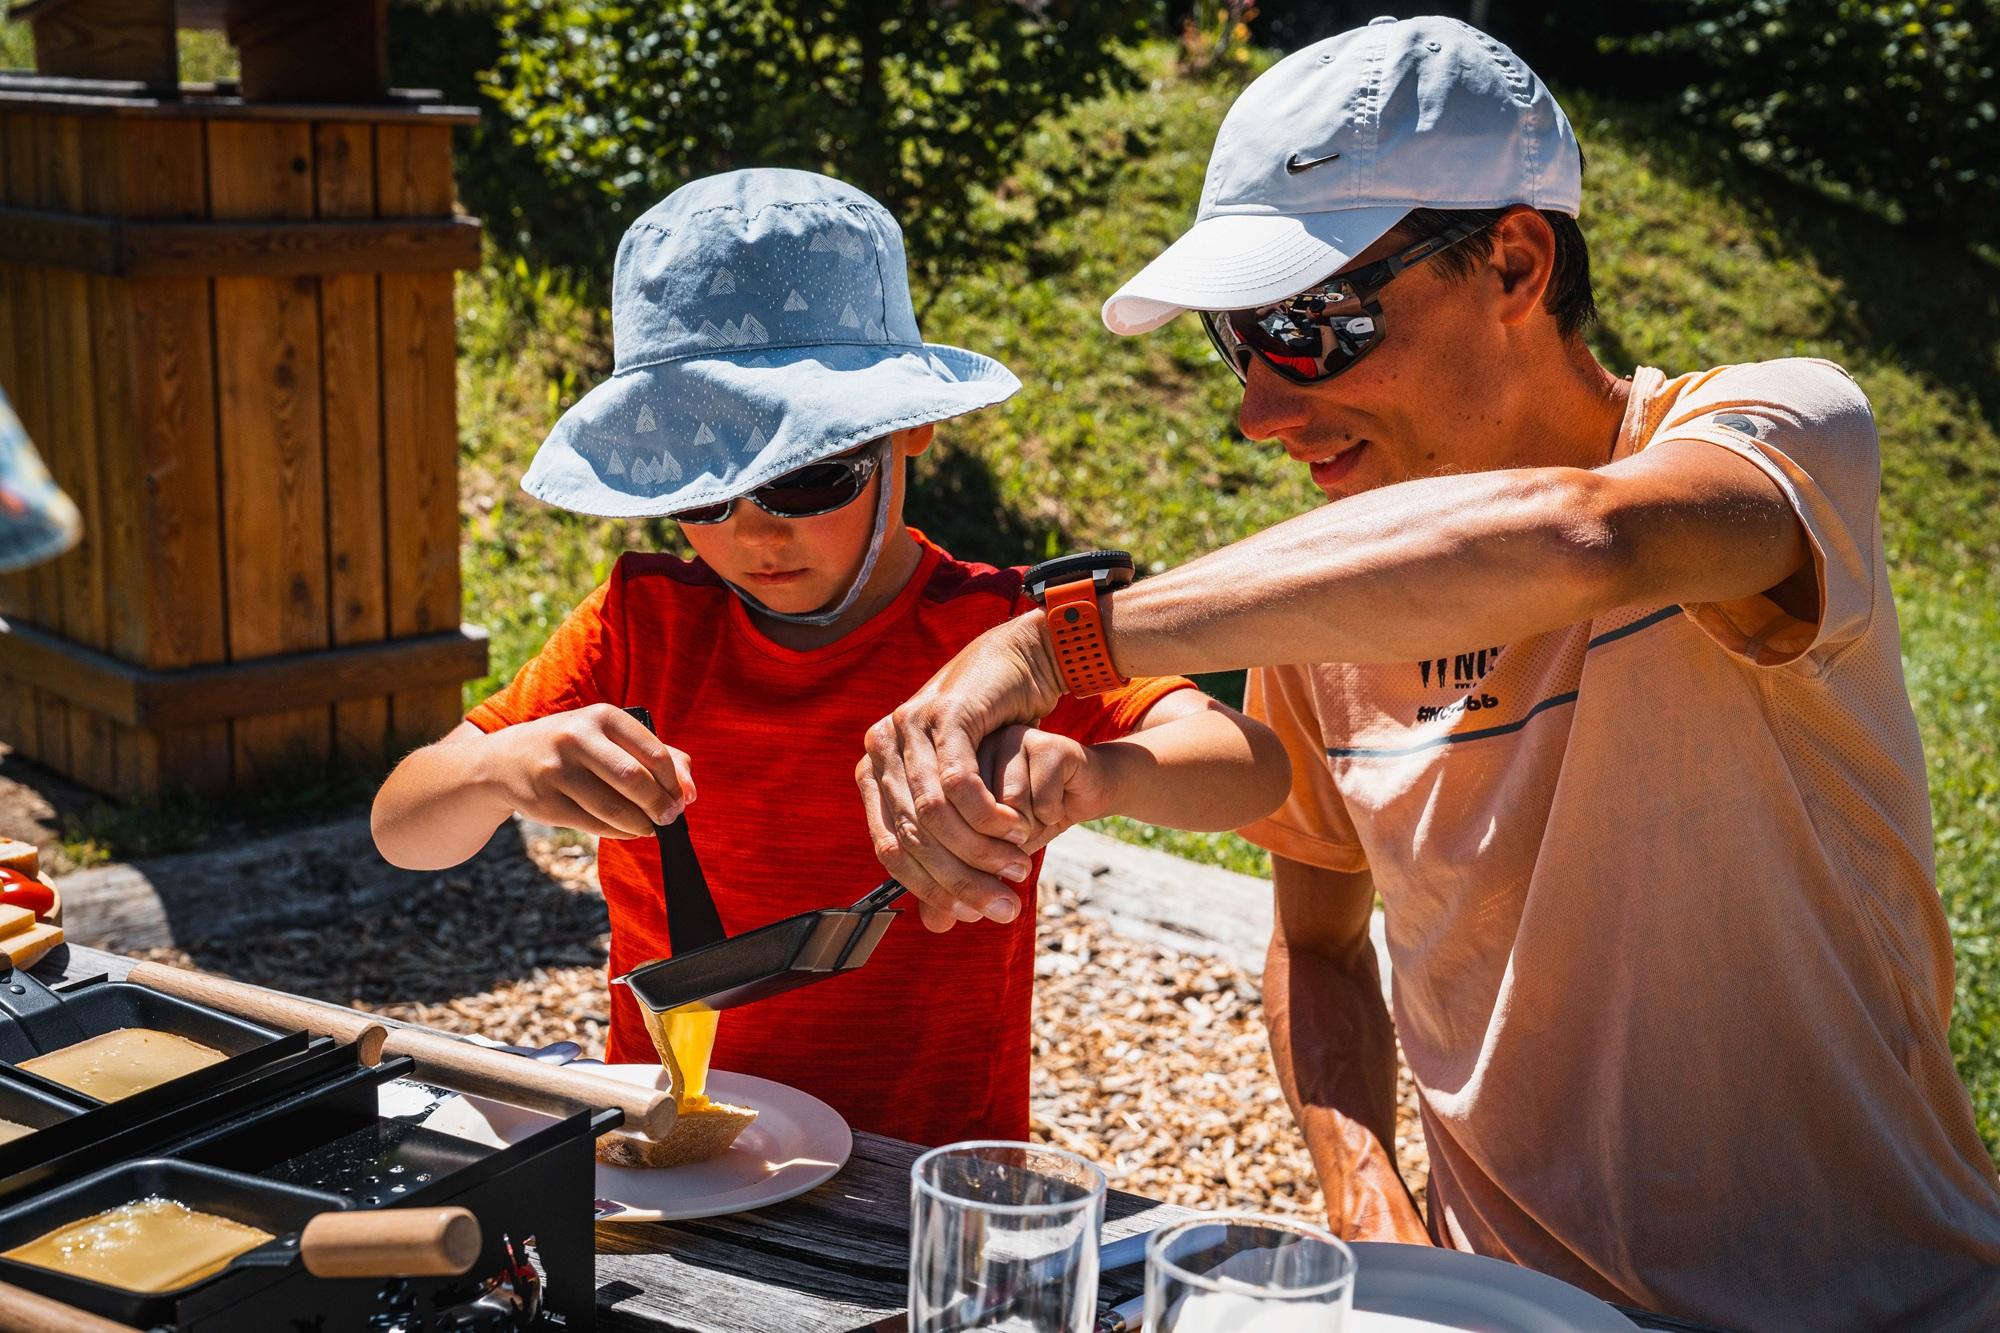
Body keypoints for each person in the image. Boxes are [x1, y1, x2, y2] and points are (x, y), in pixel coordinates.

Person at [854, 16, 2000, 1329]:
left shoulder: (1780, 431)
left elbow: (1589, 537)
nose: (1259, 412)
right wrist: (1374, 1219)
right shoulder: (1325, 602)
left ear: (1513, 259)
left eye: (1312, 323)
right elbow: (1318, 943)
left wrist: (1052, 642)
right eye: (1239, 341)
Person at [370, 169, 1290, 1146]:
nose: (753, 532)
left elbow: (1251, 770)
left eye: (809, 476)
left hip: (922, 1160)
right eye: (702, 492)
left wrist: (1100, 774)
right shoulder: (641, 624)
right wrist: (494, 767)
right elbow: (405, 828)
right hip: (667, 1146)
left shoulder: (996, 635)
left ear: (909, 431)